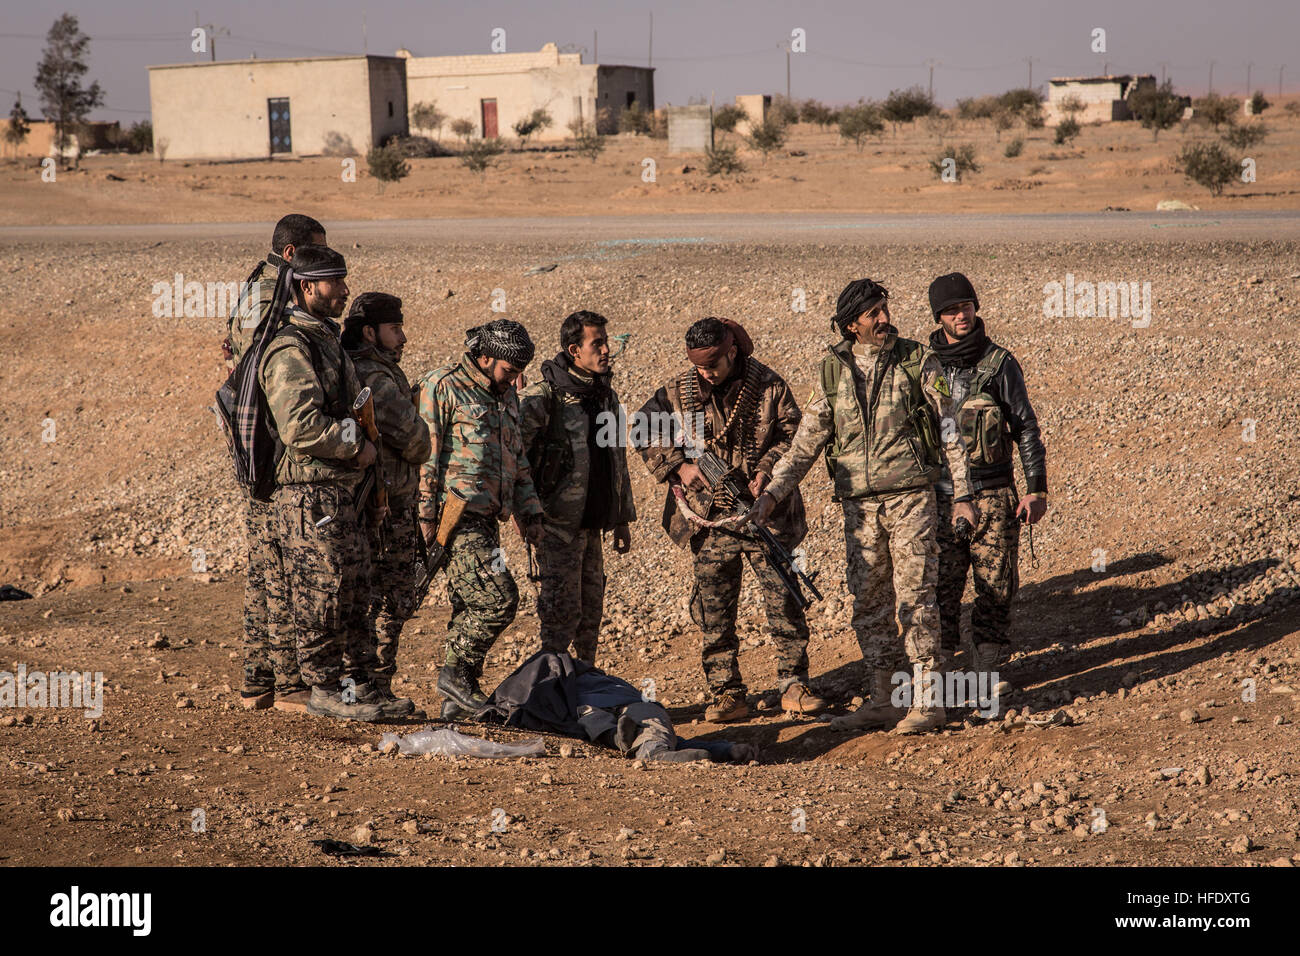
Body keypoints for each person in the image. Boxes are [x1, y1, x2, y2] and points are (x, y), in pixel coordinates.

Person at [747, 279, 978, 734]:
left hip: (911, 496)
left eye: (885, 309)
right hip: (858, 506)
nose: (884, 319)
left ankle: (930, 701)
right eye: (873, 314)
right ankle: (886, 698)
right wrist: (772, 494)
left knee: (916, 598)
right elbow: (807, 442)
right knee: (869, 602)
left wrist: (964, 495)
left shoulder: (916, 359)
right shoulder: (832, 371)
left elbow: (950, 429)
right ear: (852, 324)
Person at [634, 317, 826, 723]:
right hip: (709, 517)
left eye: (714, 364)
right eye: (701, 366)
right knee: (714, 608)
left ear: (732, 352)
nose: (706, 373)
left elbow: (794, 435)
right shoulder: (678, 391)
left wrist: (767, 471)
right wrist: (678, 468)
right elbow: (640, 425)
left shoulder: (769, 385)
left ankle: (793, 684)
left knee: (784, 599)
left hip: (764, 515)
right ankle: (726, 692)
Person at [258, 244, 386, 722]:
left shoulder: (324, 339)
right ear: (308, 287)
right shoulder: (292, 348)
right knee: (322, 594)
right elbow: (300, 427)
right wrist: (357, 446)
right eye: (336, 282)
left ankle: (355, 689)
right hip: (311, 496)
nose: (345, 291)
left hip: (341, 493)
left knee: (353, 591)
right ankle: (324, 689)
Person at [417, 319, 545, 717]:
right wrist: (424, 517)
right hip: (453, 521)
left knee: (468, 603)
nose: (514, 380)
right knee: (498, 598)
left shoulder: (507, 396)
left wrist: (530, 511)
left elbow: (518, 459)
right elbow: (426, 455)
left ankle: (455, 699)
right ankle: (455, 675)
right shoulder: (443, 386)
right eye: (510, 371)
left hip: (489, 520)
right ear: (485, 357)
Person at [225, 213, 324, 714]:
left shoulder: (253, 292)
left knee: (264, 568)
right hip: (271, 450)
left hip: (255, 447)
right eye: (313, 255)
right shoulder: (272, 302)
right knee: (279, 565)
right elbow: (267, 372)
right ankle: (288, 684)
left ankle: (256, 680)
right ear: (290, 254)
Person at [925, 273, 1047, 673]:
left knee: (994, 589)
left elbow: (1025, 426)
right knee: (940, 590)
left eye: (966, 306)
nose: (961, 315)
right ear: (938, 316)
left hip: (993, 492)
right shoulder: (927, 368)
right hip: (941, 498)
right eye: (951, 309)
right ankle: (937, 678)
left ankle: (986, 673)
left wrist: (1036, 489)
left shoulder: (1000, 364)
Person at [518, 310, 635, 666]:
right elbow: (513, 457)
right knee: (559, 615)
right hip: (556, 527)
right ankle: (550, 689)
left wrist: (621, 518)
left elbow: (617, 459)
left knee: (591, 612)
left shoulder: (605, 396)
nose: (605, 350)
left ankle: (584, 683)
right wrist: (526, 513)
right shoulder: (544, 398)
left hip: (592, 524)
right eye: (596, 343)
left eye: (606, 341)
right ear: (574, 349)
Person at [341, 292, 432, 716]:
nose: (403, 336)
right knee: (389, 598)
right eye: (395, 328)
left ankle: (367, 686)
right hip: (385, 505)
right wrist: (418, 425)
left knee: (375, 595)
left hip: (381, 501)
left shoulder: (367, 368)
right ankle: (371, 687)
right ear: (370, 332)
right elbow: (417, 443)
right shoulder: (373, 375)